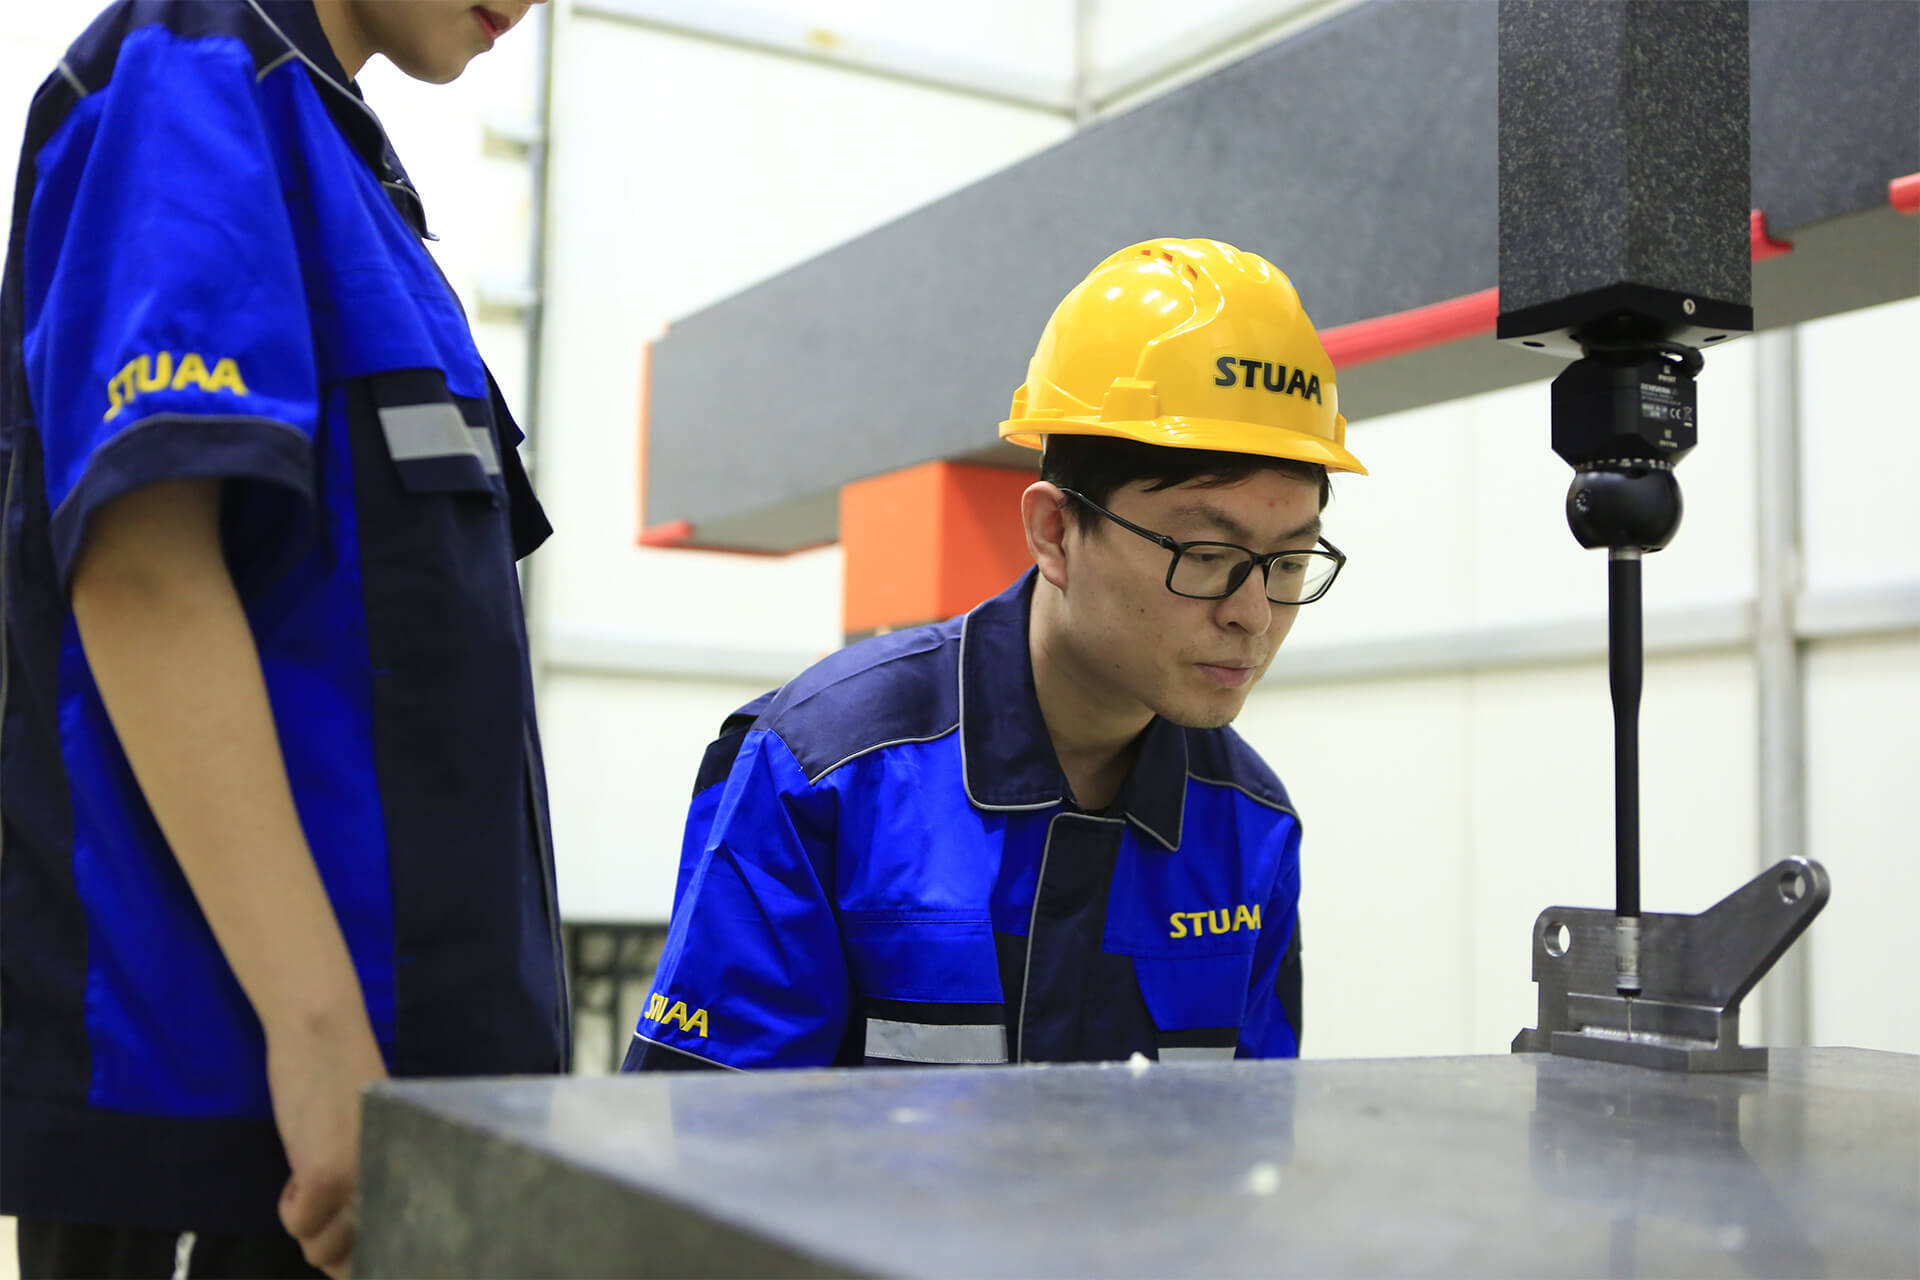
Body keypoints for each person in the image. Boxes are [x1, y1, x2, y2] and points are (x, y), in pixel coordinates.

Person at [0, 2, 561, 1276]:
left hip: (394, 1116)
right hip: (246, 1129)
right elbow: (144, 571)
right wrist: (318, 1036)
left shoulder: (349, 169)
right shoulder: (189, 73)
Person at [624, 237, 1367, 1073]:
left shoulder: (1248, 824)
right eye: (1204, 554)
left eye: (1290, 562)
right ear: (1055, 531)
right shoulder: (827, 771)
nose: (1253, 615)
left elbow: (1249, 1132)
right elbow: (707, 1130)